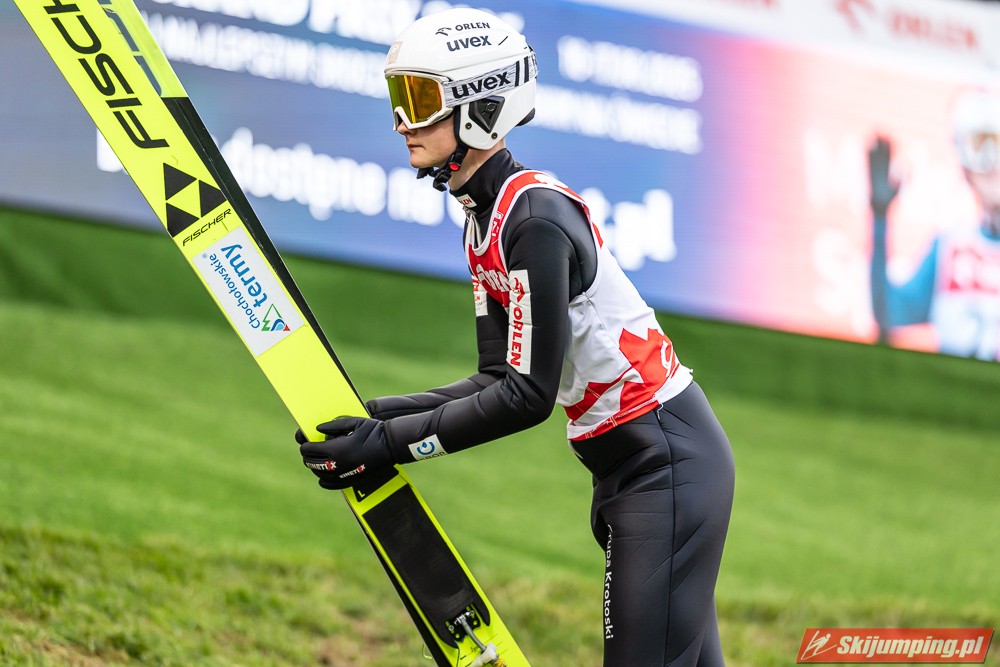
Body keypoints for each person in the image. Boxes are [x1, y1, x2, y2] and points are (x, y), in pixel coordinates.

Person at [298, 8, 735, 666]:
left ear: (481, 107)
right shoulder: (484, 219)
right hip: (634, 468)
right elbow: (495, 376)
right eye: (399, 98)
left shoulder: (535, 220)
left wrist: (388, 444)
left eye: (420, 100)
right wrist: (376, 416)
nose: (401, 121)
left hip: (665, 466)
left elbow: (527, 397)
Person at [869, 89, 1000, 360]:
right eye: (981, 146)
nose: (993, 165)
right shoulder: (949, 246)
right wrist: (879, 218)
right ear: (965, 169)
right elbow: (890, 313)